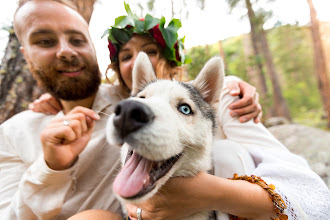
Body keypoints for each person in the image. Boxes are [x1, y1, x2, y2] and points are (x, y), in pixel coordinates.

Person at [0, 1, 328, 220]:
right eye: (125, 56)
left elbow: (313, 197)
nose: (64, 52)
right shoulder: (17, 131)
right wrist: (49, 165)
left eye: (151, 50)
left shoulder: (216, 98)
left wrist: (210, 193)